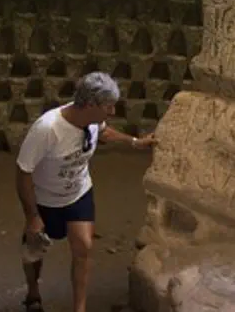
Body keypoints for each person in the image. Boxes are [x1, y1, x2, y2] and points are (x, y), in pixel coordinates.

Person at [16, 71, 157, 312]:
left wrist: (135, 141)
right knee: (34, 249)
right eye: (108, 107)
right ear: (90, 104)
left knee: (83, 246)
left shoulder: (91, 121)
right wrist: (32, 217)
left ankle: (79, 308)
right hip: (46, 199)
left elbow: (103, 132)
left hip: (78, 193)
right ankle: (33, 292)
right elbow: (23, 172)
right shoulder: (48, 129)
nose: (112, 113)